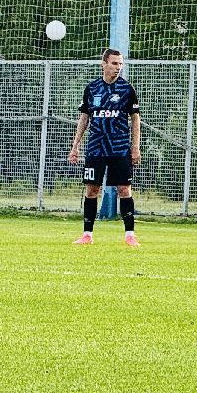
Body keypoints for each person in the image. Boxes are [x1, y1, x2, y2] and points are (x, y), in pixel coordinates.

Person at [68, 48, 141, 246]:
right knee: (91, 190)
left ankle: (130, 235)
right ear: (104, 64)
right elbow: (84, 118)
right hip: (96, 148)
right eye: (115, 63)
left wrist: (135, 147)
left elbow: (135, 119)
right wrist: (75, 146)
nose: (118, 67)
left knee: (124, 190)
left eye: (120, 64)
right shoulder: (92, 89)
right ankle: (87, 235)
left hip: (119, 148)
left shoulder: (127, 89)